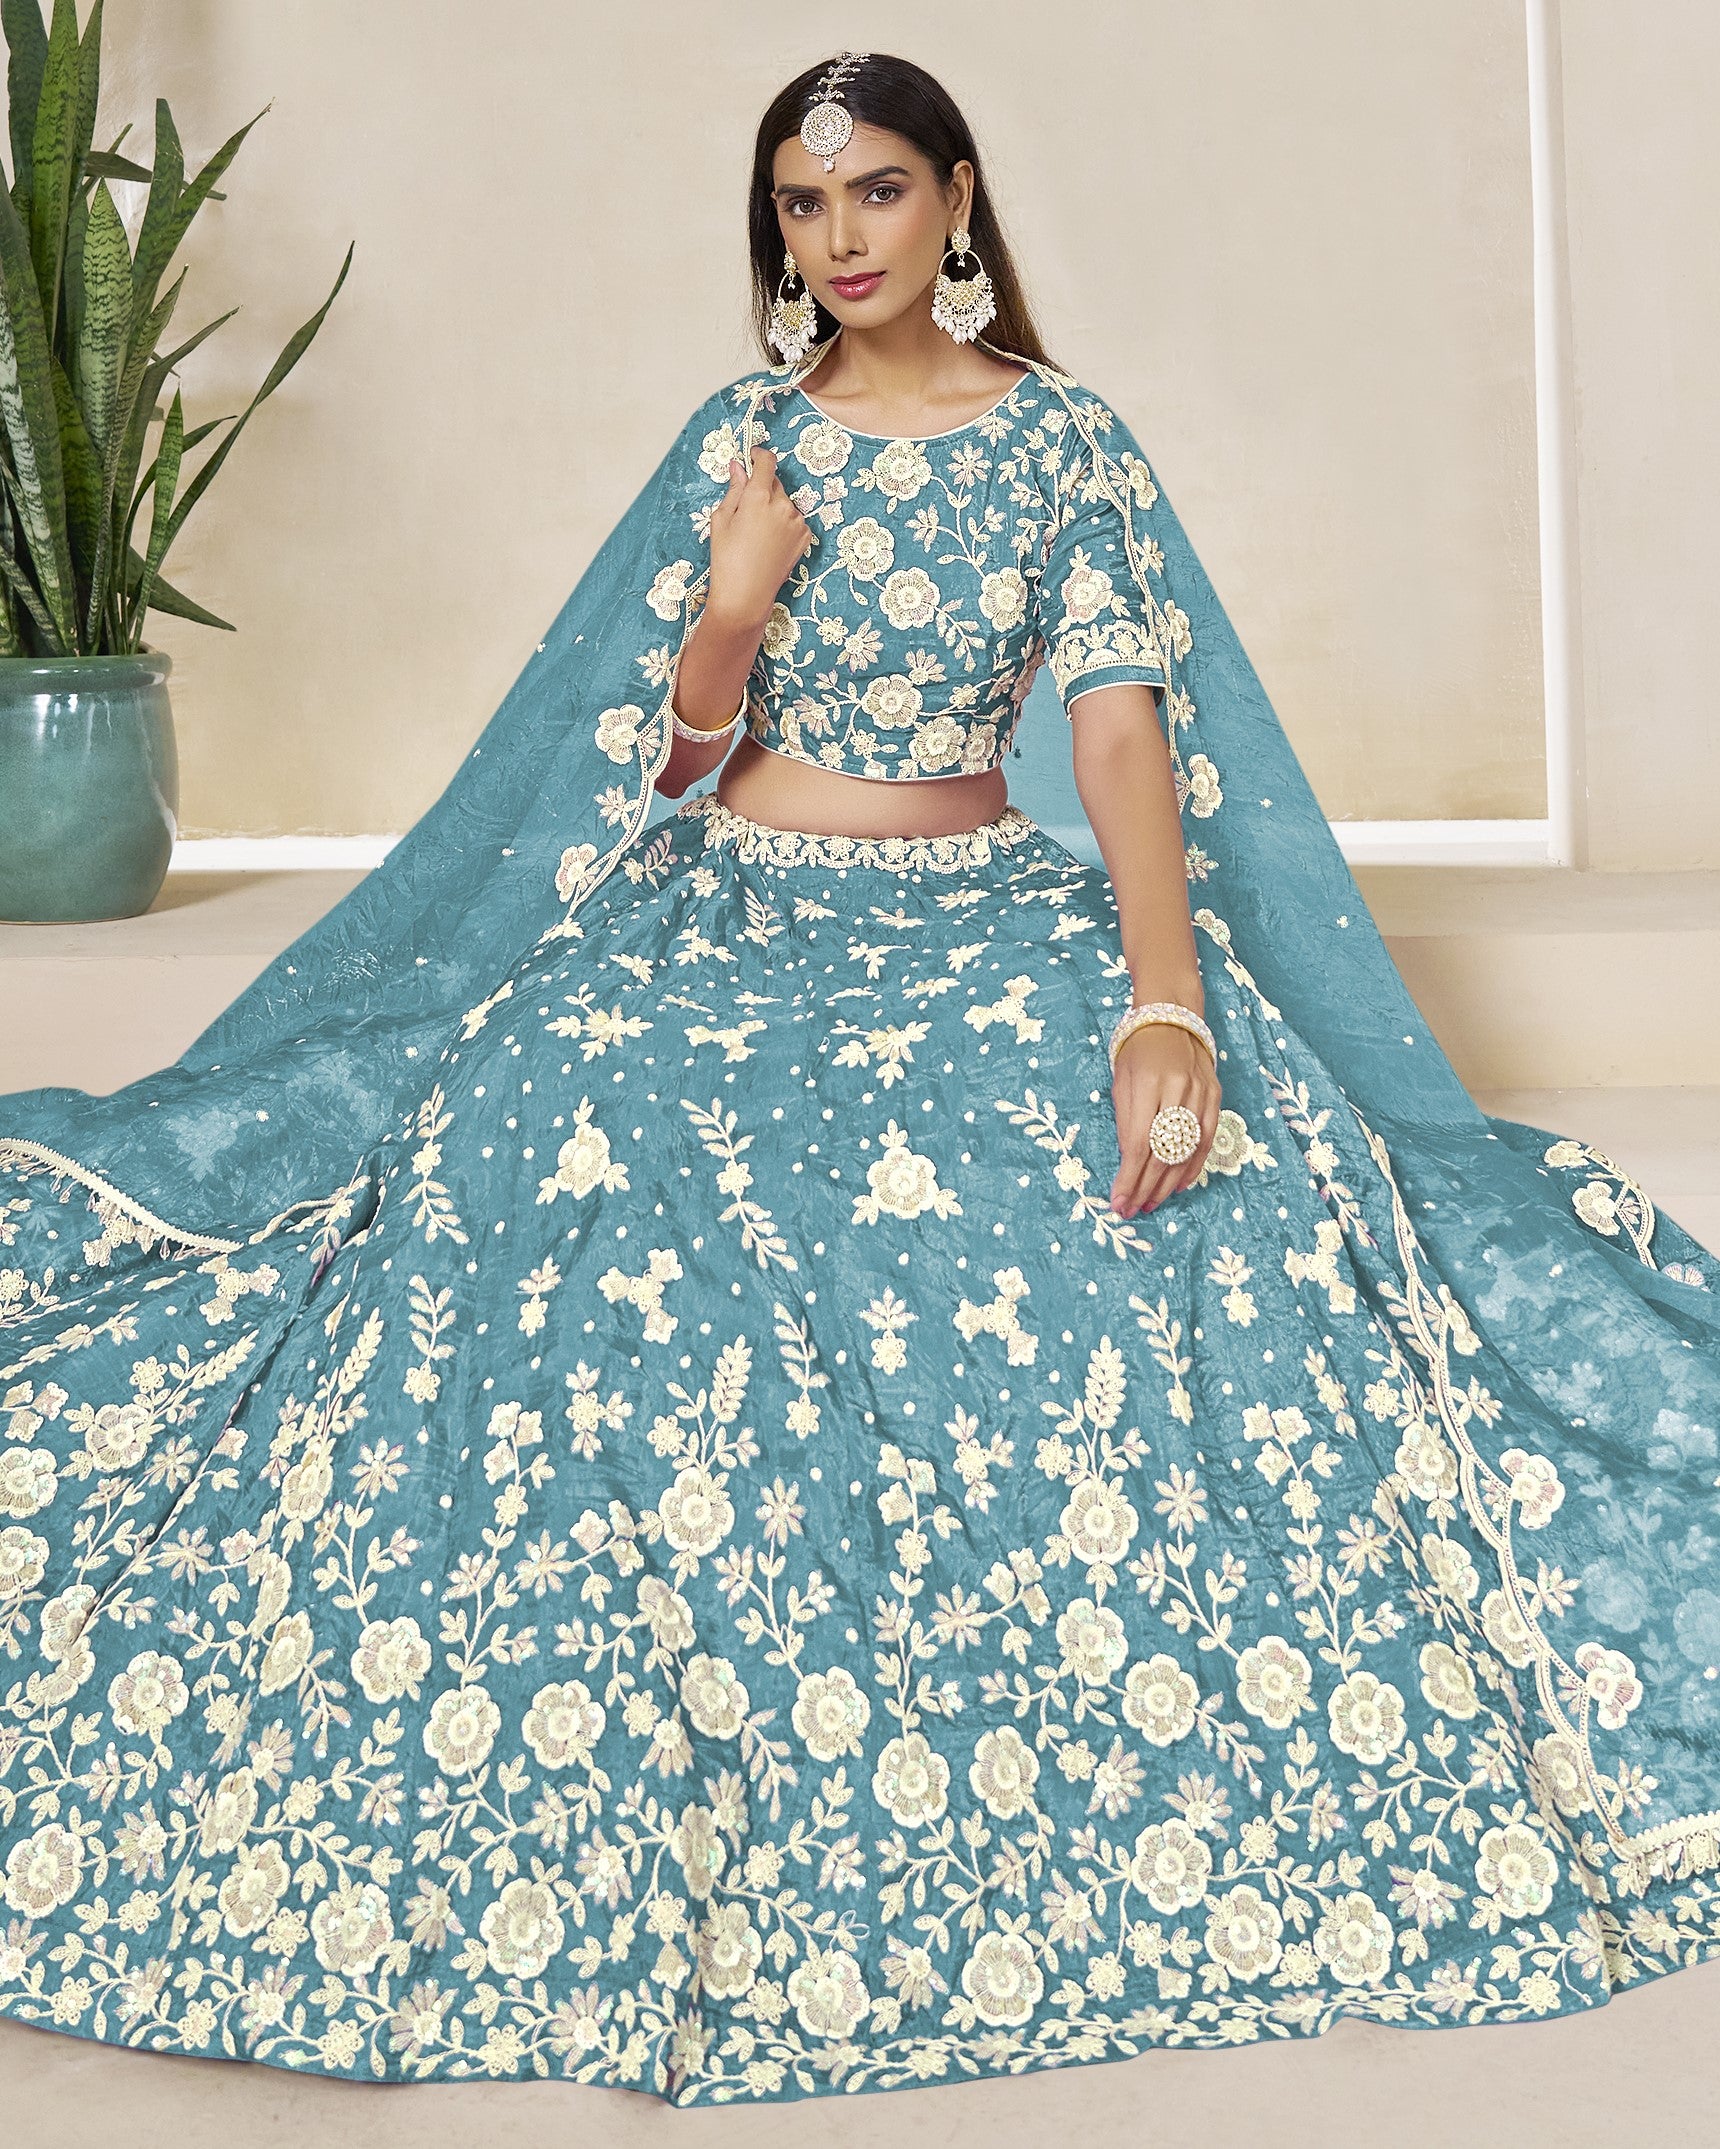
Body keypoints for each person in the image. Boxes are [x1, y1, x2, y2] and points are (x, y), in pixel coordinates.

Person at [0, 46, 1717, 2108]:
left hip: (983, 907)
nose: (841, 239)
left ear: (958, 199)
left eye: (878, 195)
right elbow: (657, 757)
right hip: (733, 910)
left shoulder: (1062, 443)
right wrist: (727, 615)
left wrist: (1161, 1002)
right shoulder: (747, 440)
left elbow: (1111, 737)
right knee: (543, 1120)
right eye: (805, 211)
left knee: (1197, 1188)